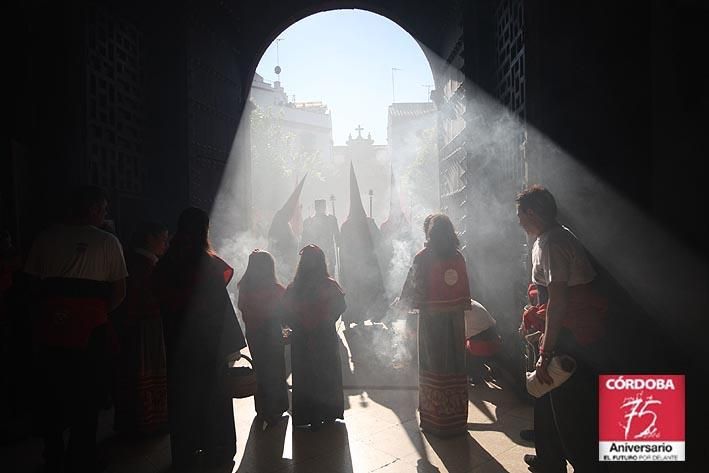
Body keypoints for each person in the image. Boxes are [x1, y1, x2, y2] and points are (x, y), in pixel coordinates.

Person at [24, 185, 128, 473]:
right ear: (94, 209)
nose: (105, 214)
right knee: (88, 395)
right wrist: (98, 312)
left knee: (52, 393)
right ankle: (82, 455)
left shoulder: (45, 237)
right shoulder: (107, 242)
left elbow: (32, 285)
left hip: (50, 327)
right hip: (91, 328)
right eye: (104, 209)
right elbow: (119, 289)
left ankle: (53, 454)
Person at [516, 185, 608, 473]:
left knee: (569, 412)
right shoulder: (548, 238)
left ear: (531, 213)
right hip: (560, 328)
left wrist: (546, 351)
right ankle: (549, 458)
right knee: (548, 398)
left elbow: (558, 299)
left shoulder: (553, 243)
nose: (518, 221)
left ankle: (584, 465)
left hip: (571, 332)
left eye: (520, 214)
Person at [152, 207, 246, 471]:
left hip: (177, 341)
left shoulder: (166, 263)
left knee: (183, 397)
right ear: (204, 230)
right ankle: (219, 447)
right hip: (208, 344)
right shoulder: (208, 264)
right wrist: (231, 345)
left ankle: (185, 451)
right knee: (214, 397)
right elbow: (220, 307)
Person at [399, 213, 471, 437]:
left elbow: (414, 287)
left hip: (432, 323)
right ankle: (456, 420)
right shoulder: (458, 257)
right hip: (455, 322)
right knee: (455, 365)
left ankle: (434, 421)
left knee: (433, 366)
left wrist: (402, 303)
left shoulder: (424, 257)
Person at [111, 221, 169, 434]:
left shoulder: (137, 261)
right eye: (163, 239)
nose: (165, 245)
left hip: (135, 325)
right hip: (145, 326)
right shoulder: (142, 265)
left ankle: (137, 420)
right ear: (150, 239)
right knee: (145, 372)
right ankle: (147, 421)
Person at [282, 244, 346, 430]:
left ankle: (310, 415)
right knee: (327, 374)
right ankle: (328, 413)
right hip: (325, 337)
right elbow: (341, 306)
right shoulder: (330, 285)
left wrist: (298, 325)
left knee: (306, 376)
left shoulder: (294, 288)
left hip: (302, 339)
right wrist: (327, 321)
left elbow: (284, 312)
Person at [237, 249, 289, 427]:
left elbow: (242, 308)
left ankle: (262, 409)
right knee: (275, 371)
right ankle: (276, 409)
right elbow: (284, 313)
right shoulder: (276, 290)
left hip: (253, 333)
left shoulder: (244, 288)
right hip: (272, 334)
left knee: (260, 370)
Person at [300, 199, 339, 275]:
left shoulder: (331, 220)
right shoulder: (310, 222)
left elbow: (338, 239)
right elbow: (304, 240)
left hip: (324, 254)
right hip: (316, 254)